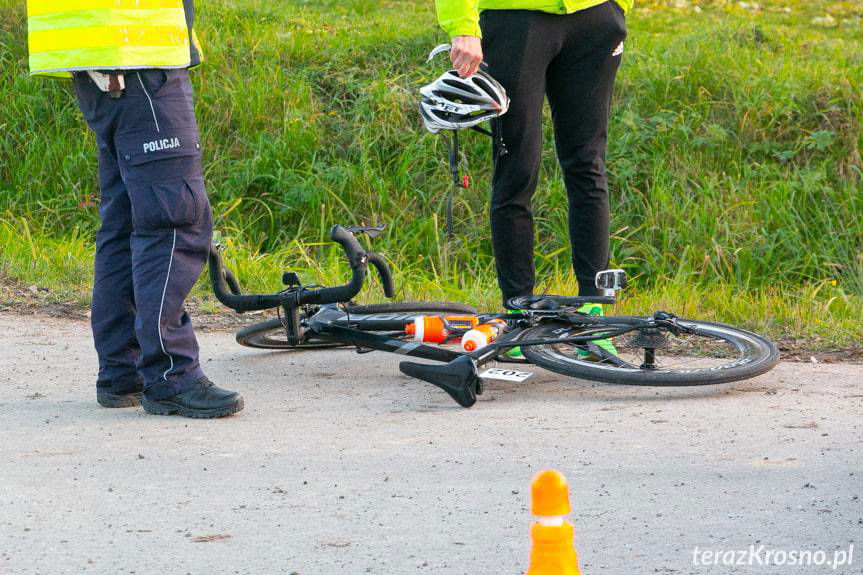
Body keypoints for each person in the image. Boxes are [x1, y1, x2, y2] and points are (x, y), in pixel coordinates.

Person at [27, 0, 243, 418]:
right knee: (174, 219)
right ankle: (171, 375)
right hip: (135, 48)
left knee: (126, 220)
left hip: (105, 53)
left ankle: (123, 368)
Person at [434, 0, 630, 310]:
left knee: (588, 164)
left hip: (595, 18)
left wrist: (617, 8)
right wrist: (462, 26)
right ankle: (519, 309)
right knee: (517, 169)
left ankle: (593, 310)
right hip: (515, 20)